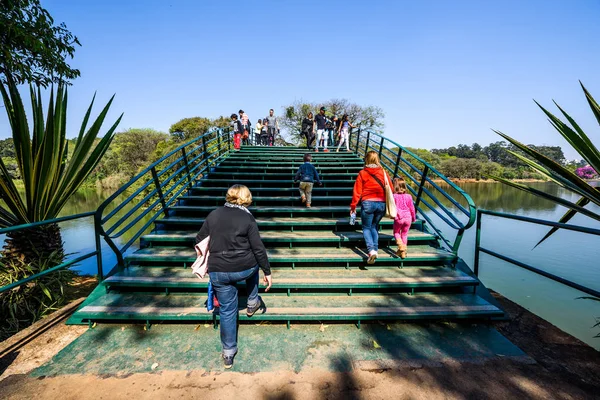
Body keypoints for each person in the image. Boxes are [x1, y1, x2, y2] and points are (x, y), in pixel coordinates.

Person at [195, 185, 273, 369]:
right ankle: (252, 301)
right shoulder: (247, 217)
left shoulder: (213, 214)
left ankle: (228, 353)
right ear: (246, 198)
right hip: (243, 268)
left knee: (227, 311)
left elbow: (198, 239)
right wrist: (267, 272)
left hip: (218, 271)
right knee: (254, 265)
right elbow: (258, 248)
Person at [350, 151, 392, 264]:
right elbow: (390, 189)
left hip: (368, 202)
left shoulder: (363, 173)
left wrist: (353, 205)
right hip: (381, 204)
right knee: (374, 226)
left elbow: (357, 191)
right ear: (377, 159)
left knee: (366, 228)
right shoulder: (384, 172)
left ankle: (371, 250)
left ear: (366, 159)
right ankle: (375, 250)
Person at [392, 177, 416, 259]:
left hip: (399, 218)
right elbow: (412, 208)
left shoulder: (394, 196)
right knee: (404, 234)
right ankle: (403, 253)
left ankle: (400, 245)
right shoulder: (409, 196)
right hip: (408, 218)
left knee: (396, 232)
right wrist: (413, 218)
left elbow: (392, 207)